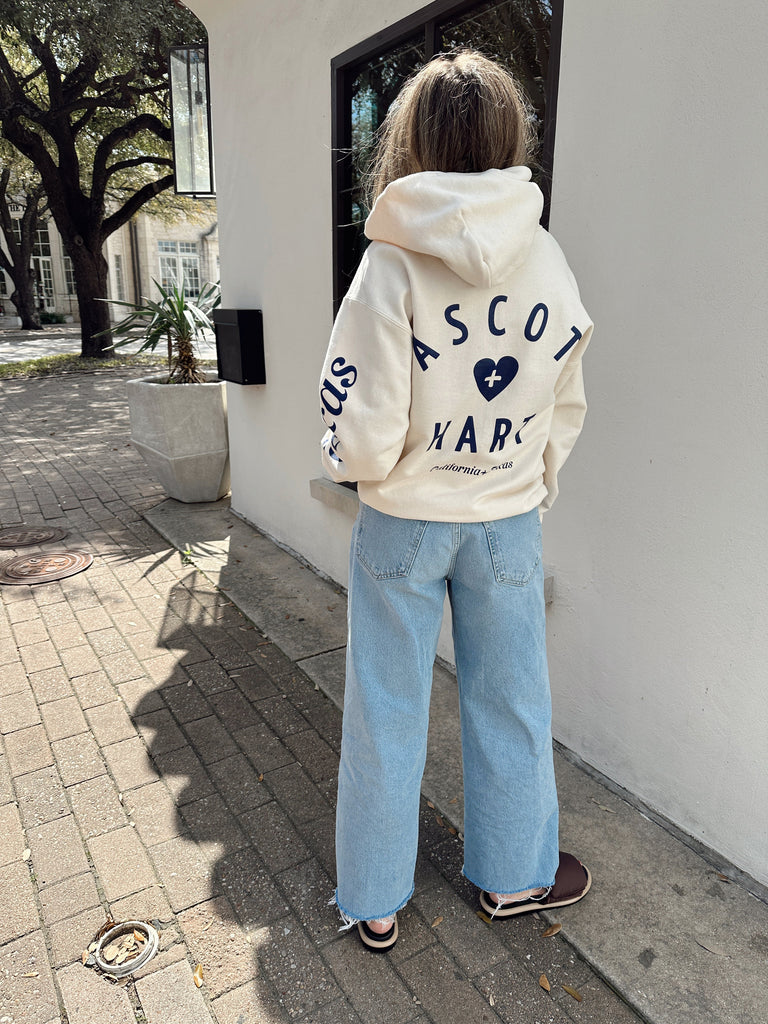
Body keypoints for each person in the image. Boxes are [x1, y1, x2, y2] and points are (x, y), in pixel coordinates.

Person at [319, 50, 593, 953]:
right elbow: (564, 398)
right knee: (511, 699)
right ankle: (514, 876)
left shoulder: (391, 261)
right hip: (505, 517)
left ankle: (373, 896)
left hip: (404, 517)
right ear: (510, 135)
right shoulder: (546, 259)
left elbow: (361, 410)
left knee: (386, 706)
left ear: (413, 139)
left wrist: (359, 469)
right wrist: (531, 483)